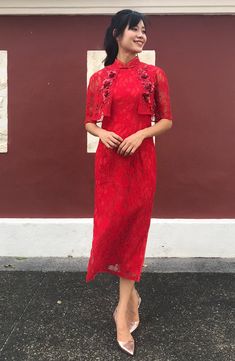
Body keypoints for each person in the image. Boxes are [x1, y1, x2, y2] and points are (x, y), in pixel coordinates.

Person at [84, 9, 173, 356]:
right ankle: (132, 294)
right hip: (109, 164)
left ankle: (122, 311)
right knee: (113, 228)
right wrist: (102, 131)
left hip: (141, 161)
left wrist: (142, 134)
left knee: (134, 229)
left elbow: (167, 120)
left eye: (144, 30)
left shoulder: (155, 75)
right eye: (134, 29)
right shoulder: (99, 78)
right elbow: (89, 121)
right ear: (117, 34)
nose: (141, 35)